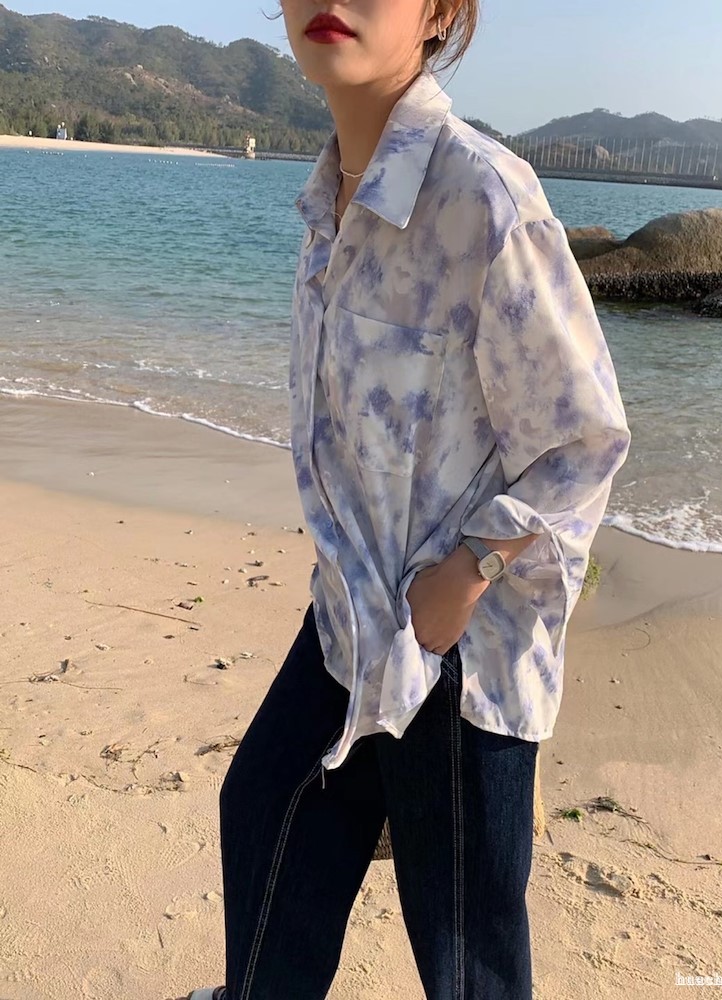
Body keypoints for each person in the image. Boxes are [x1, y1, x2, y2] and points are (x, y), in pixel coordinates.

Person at [176, 2, 630, 998]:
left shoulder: (483, 196)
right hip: (349, 618)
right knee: (263, 817)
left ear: (438, 13)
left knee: (465, 958)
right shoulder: (326, 200)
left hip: (459, 656)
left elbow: (584, 437)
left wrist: (469, 573)